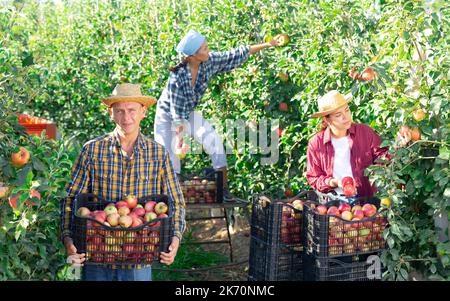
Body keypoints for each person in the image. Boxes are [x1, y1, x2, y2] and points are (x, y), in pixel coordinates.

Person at [60, 83, 186, 281]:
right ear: (111, 113)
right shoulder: (92, 150)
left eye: (132, 110)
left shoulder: (158, 154)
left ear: (143, 112)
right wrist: (68, 240)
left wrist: (175, 239)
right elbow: (70, 199)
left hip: (138, 258)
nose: (126, 118)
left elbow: (176, 201)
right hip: (97, 255)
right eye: (119, 111)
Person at [154, 29, 286, 196]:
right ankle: (172, 198)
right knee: (170, 157)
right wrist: (179, 142)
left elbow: (236, 54)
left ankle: (223, 191)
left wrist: (268, 44)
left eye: (207, 46)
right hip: (167, 117)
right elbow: (177, 116)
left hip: (188, 112)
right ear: (192, 56)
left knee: (214, 142)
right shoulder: (177, 78)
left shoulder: (208, 61)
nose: (208, 50)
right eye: (204, 48)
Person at [306, 90, 390, 198]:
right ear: (327, 120)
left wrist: (398, 144)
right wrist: (333, 182)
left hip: (365, 202)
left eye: (347, 110)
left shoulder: (365, 132)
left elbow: (383, 157)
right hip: (333, 204)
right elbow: (314, 178)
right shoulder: (316, 144)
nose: (345, 117)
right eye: (338, 115)